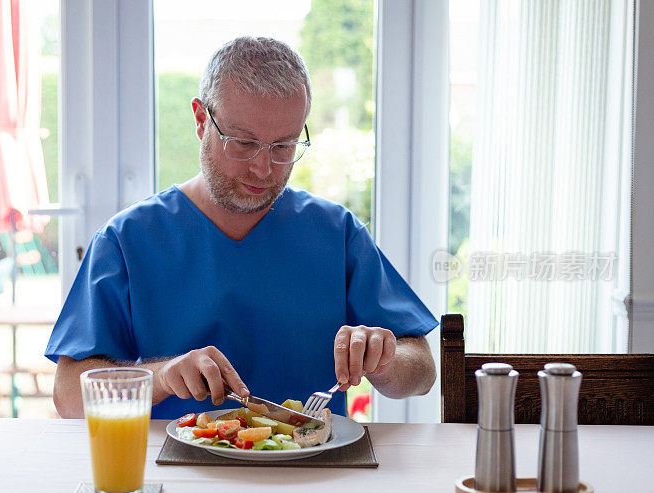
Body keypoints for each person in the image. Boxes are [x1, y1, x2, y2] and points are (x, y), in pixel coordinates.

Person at [46, 37, 438, 420]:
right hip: (175, 472)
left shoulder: (335, 233)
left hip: (316, 471)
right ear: (201, 120)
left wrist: (385, 360)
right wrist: (162, 376)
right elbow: (68, 398)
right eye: (244, 143)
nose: (264, 169)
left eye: (284, 146)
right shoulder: (128, 240)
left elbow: (421, 369)